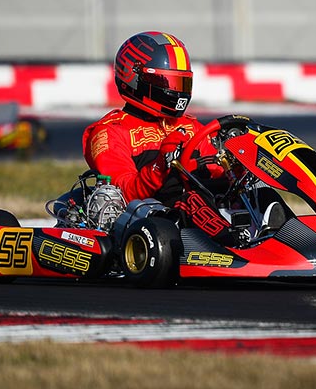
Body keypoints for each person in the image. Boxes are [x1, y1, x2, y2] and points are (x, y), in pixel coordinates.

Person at [82, 31, 236, 242]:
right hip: (153, 218)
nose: (177, 92)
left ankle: (283, 236)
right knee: (189, 198)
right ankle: (233, 244)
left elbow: (217, 171)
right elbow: (124, 192)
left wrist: (238, 163)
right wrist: (160, 166)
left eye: (181, 84)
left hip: (203, 207)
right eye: (168, 83)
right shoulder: (110, 132)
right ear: (135, 78)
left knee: (256, 191)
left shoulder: (189, 126)